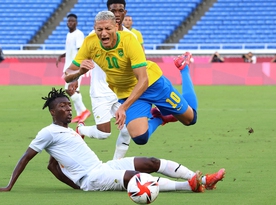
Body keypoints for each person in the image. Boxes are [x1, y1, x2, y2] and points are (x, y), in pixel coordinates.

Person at [0, 88, 225, 193]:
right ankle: (191, 185)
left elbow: (52, 165)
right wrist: (9, 185)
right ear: (52, 111)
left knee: (150, 162)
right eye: (62, 106)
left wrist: (72, 186)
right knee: (137, 179)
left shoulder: (68, 132)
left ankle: (202, 178)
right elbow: (26, 157)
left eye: (69, 105)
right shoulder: (47, 132)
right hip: (93, 178)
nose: (68, 109)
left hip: (102, 168)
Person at [63, 11, 198, 147]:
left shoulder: (129, 40)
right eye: (99, 29)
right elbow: (67, 74)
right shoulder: (90, 43)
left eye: (108, 29)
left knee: (190, 119)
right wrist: (79, 72)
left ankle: (183, 68)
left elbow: (143, 80)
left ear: (116, 27)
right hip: (127, 93)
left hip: (152, 84)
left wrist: (123, 107)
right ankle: (158, 117)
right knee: (140, 138)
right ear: (95, 29)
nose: (103, 33)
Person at [75, 0, 139, 160]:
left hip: (123, 92)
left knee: (127, 130)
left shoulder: (131, 36)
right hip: (101, 91)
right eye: (113, 10)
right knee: (104, 133)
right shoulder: (94, 36)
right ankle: (81, 129)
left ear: (125, 12)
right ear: (108, 11)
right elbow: (82, 61)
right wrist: (75, 79)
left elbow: (139, 64)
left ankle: (115, 165)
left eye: (120, 10)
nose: (117, 14)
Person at [56, 13, 90, 123]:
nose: (70, 23)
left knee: (69, 89)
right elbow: (71, 50)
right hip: (69, 66)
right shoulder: (69, 35)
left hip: (75, 66)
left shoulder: (78, 34)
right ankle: (80, 115)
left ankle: (84, 111)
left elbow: (81, 50)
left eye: (72, 21)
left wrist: (79, 67)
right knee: (75, 90)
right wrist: (62, 55)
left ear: (76, 23)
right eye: (69, 21)